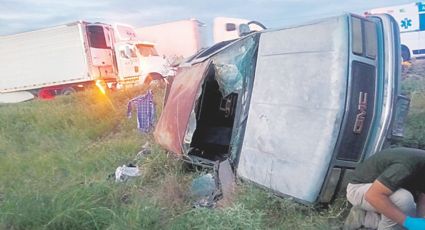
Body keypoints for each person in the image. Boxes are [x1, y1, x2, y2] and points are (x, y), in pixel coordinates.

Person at [345, 147, 425, 230]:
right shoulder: (409, 164)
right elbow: (372, 195)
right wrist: (409, 223)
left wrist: (421, 220)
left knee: (411, 210)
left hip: (380, 191)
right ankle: (367, 218)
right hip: (359, 188)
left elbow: (423, 199)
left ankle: (366, 218)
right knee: (403, 200)